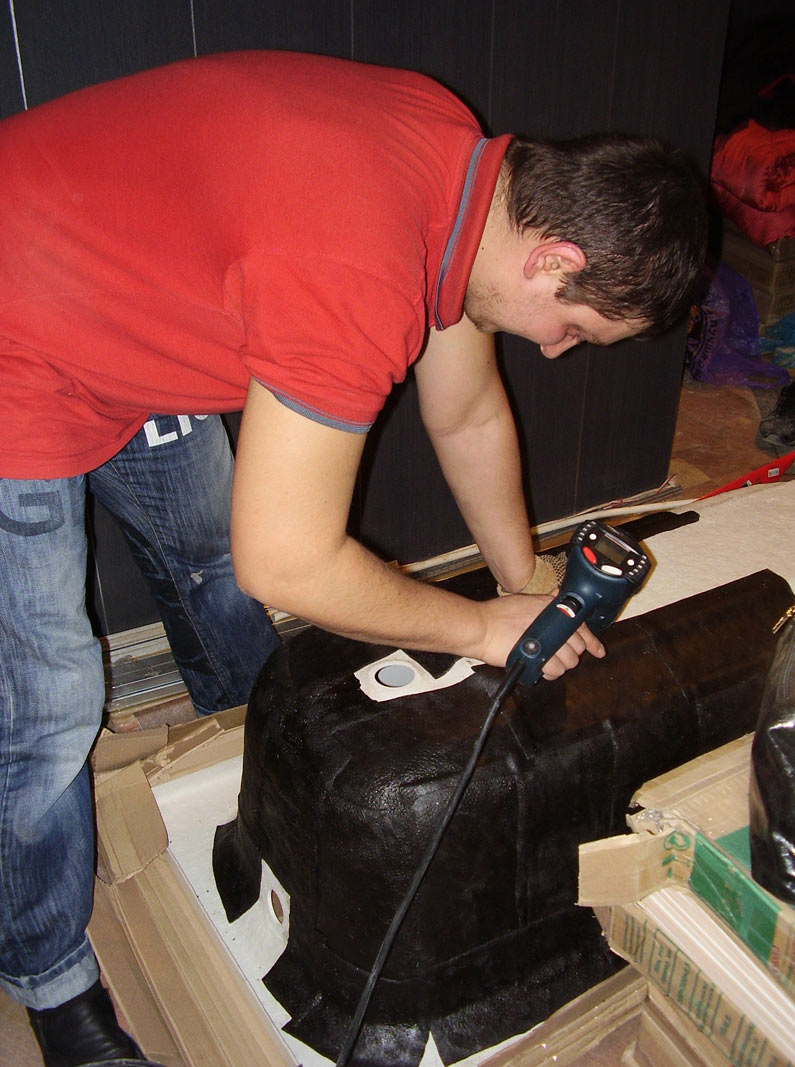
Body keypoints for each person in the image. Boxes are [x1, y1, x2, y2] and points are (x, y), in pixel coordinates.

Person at [0, 50, 707, 1065]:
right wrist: (477, 624)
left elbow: (465, 410)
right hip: (16, 328)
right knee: (47, 702)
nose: (555, 350)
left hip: (107, 288)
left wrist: (523, 578)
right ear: (551, 259)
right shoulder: (358, 269)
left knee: (207, 559)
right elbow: (287, 564)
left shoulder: (459, 175)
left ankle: (266, 756)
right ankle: (51, 982)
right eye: (575, 329)